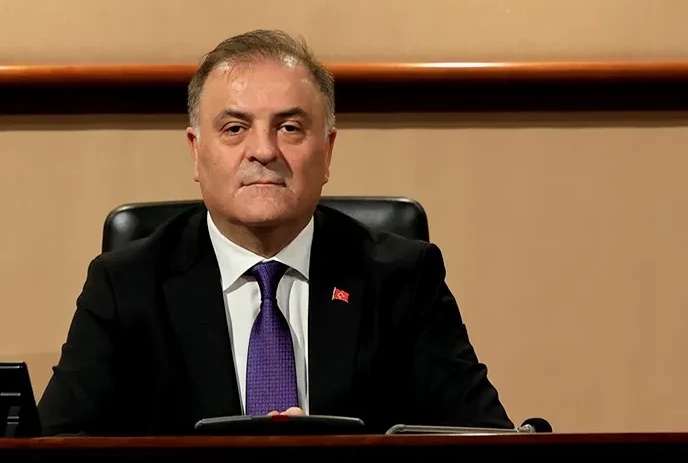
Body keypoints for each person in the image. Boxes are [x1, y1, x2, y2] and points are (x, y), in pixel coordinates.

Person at [37, 29, 513, 436]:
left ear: (327, 152)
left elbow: (484, 441)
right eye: (234, 128)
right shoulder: (126, 284)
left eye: (289, 127)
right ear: (196, 151)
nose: (263, 150)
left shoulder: (403, 279)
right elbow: (54, 449)